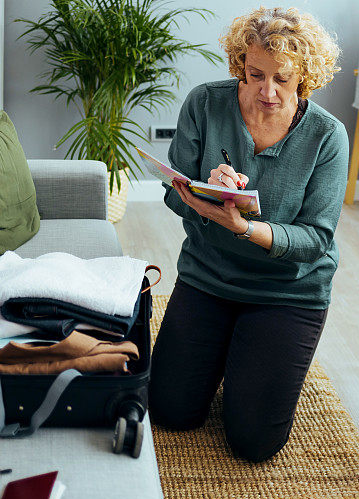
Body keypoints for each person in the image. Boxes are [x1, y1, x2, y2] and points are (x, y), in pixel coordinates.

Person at [149, 6, 348, 463]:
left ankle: (251, 359)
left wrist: (245, 227)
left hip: (287, 292)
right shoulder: (204, 103)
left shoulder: (327, 136)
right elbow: (172, 193)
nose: (268, 91)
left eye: (283, 78)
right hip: (208, 276)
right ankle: (228, 354)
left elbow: (315, 239)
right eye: (255, 74)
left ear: (305, 75)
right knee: (170, 411)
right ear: (241, 64)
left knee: (253, 442)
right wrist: (205, 196)